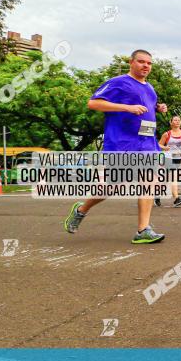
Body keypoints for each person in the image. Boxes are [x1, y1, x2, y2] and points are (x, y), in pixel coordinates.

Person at [63, 49, 167, 243]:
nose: (146, 66)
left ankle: (143, 230)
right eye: (142, 62)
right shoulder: (118, 82)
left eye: (149, 63)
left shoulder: (150, 88)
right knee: (111, 187)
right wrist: (126, 107)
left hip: (146, 143)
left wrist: (158, 108)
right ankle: (81, 210)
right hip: (122, 143)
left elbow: (146, 106)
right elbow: (93, 103)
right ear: (131, 62)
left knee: (149, 181)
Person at [155, 115, 181, 207]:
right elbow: (158, 145)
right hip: (167, 157)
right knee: (174, 176)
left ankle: (157, 195)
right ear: (171, 123)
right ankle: (176, 199)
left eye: (179, 120)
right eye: (175, 120)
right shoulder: (167, 134)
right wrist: (165, 147)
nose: (177, 121)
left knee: (165, 179)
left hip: (177, 158)